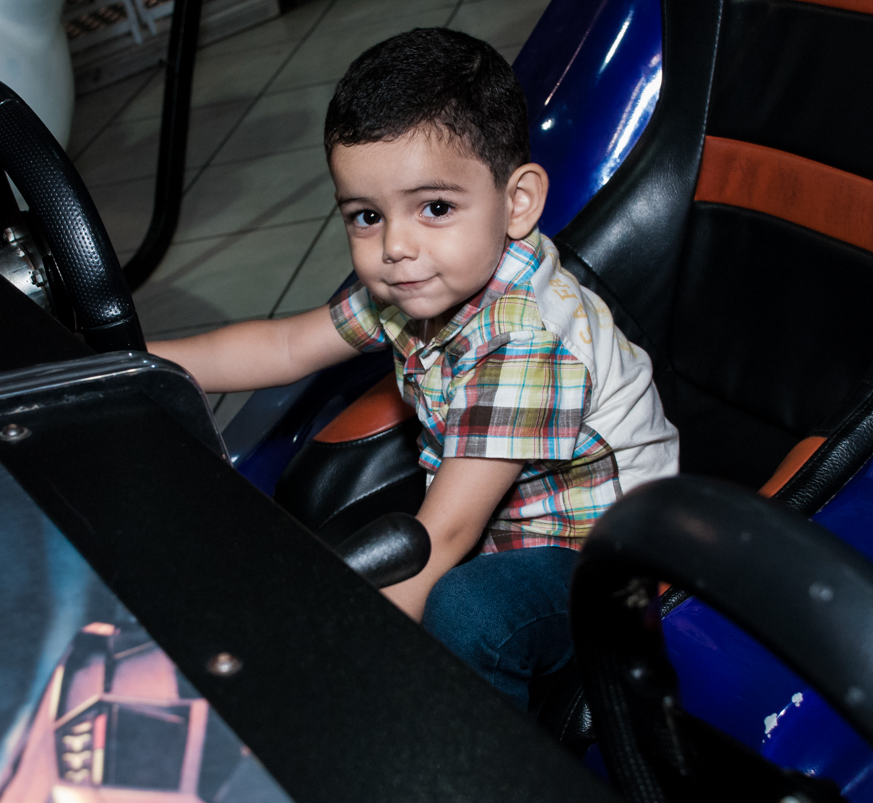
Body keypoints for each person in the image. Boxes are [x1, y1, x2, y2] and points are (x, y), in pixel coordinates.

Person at [150, 27, 678, 710]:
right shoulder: (421, 280)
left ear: (517, 203)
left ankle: (480, 760)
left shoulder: (527, 341)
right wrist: (135, 363)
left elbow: (449, 532)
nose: (396, 246)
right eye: (368, 215)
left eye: (435, 207)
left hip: (605, 560)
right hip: (500, 515)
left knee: (467, 611)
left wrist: (345, 659)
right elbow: (283, 346)